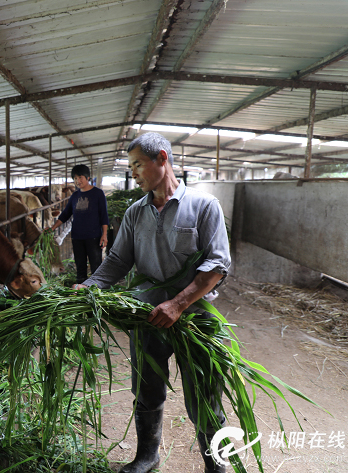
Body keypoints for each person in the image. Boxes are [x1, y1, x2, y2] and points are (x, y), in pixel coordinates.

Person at [75, 132, 231, 473]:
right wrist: (86, 287)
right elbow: (117, 262)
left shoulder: (204, 206)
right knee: (146, 391)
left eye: (137, 165)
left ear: (162, 159)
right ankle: (147, 456)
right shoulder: (134, 213)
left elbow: (217, 264)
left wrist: (178, 304)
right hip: (147, 316)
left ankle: (216, 464)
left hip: (194, 318)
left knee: (204, 396)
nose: (133, 173)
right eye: (131, 166)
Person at [50, 164, 108, 284]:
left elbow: (104, 215)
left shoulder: (98, 193)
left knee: (96, 265)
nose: (77, 181)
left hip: (94, 236)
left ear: (87, 177)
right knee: (80, 265)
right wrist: (52, 228)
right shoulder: (75, 196)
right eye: (75, 178)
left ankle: (97, 288)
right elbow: (65, 214)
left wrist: (105, 234)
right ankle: (81, 288)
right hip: (77, 237)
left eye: (80, 177)